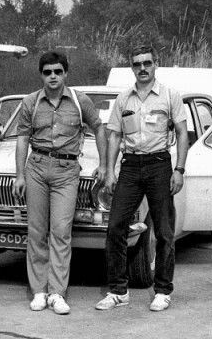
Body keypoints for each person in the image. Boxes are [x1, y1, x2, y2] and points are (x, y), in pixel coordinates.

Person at [12, 51, 107, 315]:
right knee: (36, 231)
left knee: (61, 231)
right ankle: (39, 291)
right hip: (37, 167)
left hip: (67, 170)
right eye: (47, 72)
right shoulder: (30, 102)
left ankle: (57, 293)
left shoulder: (79, 100)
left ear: (65, 73)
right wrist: (19, 175)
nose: (52, 76)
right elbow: (22, 139)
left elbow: (99, 128)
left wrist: (104, 164)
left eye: (57, 71)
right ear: (41, 75)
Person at [95, 45, 188, 312]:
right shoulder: (124, 99)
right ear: (132, 68)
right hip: (131, 166)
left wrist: (179, 169)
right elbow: (114, 135)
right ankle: (117, 291)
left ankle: (163, 291)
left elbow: (182, 133)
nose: (143, 68)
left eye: (147, 63)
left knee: (164, 231)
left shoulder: (169, 95)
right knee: (115, 227)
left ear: (155, 64)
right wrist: (110, 171)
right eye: (137, 64)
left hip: (159, 164)